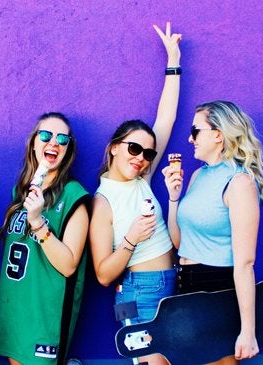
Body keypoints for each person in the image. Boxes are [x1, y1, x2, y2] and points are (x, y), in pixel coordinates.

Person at [89, 22, 181, 365]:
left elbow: (167, 117)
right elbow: (103, 274)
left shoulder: (143, 179)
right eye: (133, 149)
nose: (141, 158)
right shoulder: (102, 201)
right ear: (114, 148)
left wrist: (173, 61)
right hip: (140, 292)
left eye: (148, 154)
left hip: (173, 283)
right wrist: (130, 238)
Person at [162, 101, 263, 364]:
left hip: (217, 287)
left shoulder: (240, 182)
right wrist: (173, 198)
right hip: (185, 283)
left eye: (195, 131)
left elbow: (245, 263)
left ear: (218, 135)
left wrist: (248, 331)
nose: (190, 138)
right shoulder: (199, 176)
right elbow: (180, 242)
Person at [0, 112, 90, 365]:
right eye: (46, 135)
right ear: (34, 142)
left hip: (45, 313)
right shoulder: (20, 191)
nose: (53, 142)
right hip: (15, 307)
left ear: (69, 149)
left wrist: (37, 223)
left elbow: (69, 265)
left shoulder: (73, 196)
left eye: (62, 139)